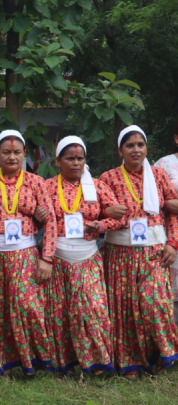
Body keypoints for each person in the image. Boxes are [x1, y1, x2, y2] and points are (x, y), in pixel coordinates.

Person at [99, 125, 178, 379]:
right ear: (120, 150)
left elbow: (173, 212)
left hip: (155, 251)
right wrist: (104, 215)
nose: (136, 150)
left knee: (154, 302)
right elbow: (98, 211)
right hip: (120, 252)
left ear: (147, 149)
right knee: (124, 309)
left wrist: (173, 244)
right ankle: (130, 362)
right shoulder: (107, 178)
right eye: (130, 145)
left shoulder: (158, 175)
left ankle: (162, 354)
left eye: (140, 145)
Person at [0, 129, 56, 375]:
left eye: (17, 152)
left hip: (25, 254)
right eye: (6, 152)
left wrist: (47, 258)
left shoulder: (36, 182)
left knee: (26, 305)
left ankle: (35, 359)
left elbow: (51, 221)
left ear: (24, 155)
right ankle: (2, 363)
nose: (12, 157)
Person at [42, 136, 120, 376]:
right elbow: (42, 221)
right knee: (59, 313)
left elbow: (118, 218)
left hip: (88, 258)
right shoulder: (46, 186)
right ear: (58, 161)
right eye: (70, 158)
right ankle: (63, 364)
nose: (76, 163)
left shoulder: (96, 186)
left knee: (91, 310)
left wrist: (100, 225)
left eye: (80, 158)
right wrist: (38, 215)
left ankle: (97, 364)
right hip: (57, 259)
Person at [153, 127, 178, 324]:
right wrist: (166, 203)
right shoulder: (164, 165)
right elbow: (152, 201)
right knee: (170, 293)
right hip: (171, 237)